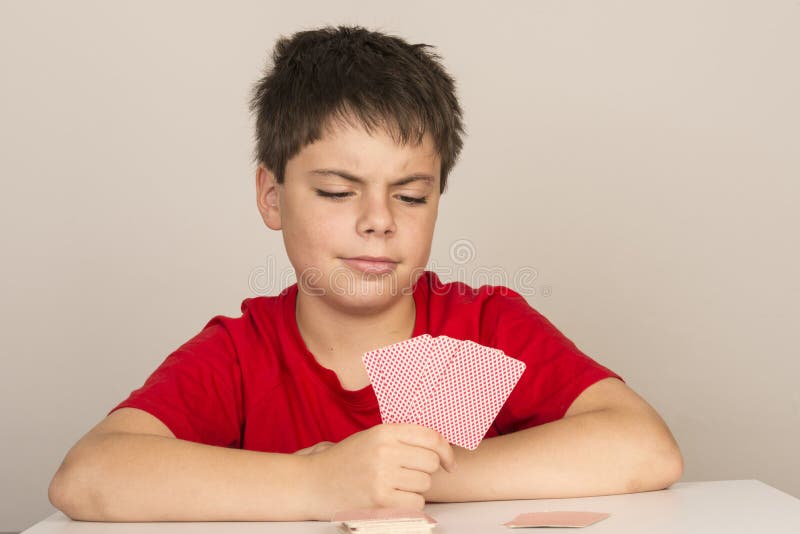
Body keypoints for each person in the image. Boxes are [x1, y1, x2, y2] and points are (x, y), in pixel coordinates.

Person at [48, 25, 683, 522]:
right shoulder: (243, 354)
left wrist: (412, 475)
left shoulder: (484, 327)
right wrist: (317, 483)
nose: (378, 221)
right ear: (272, 195)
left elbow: (645, 447)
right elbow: (90, 476)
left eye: (410, 196)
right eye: (335, 192)